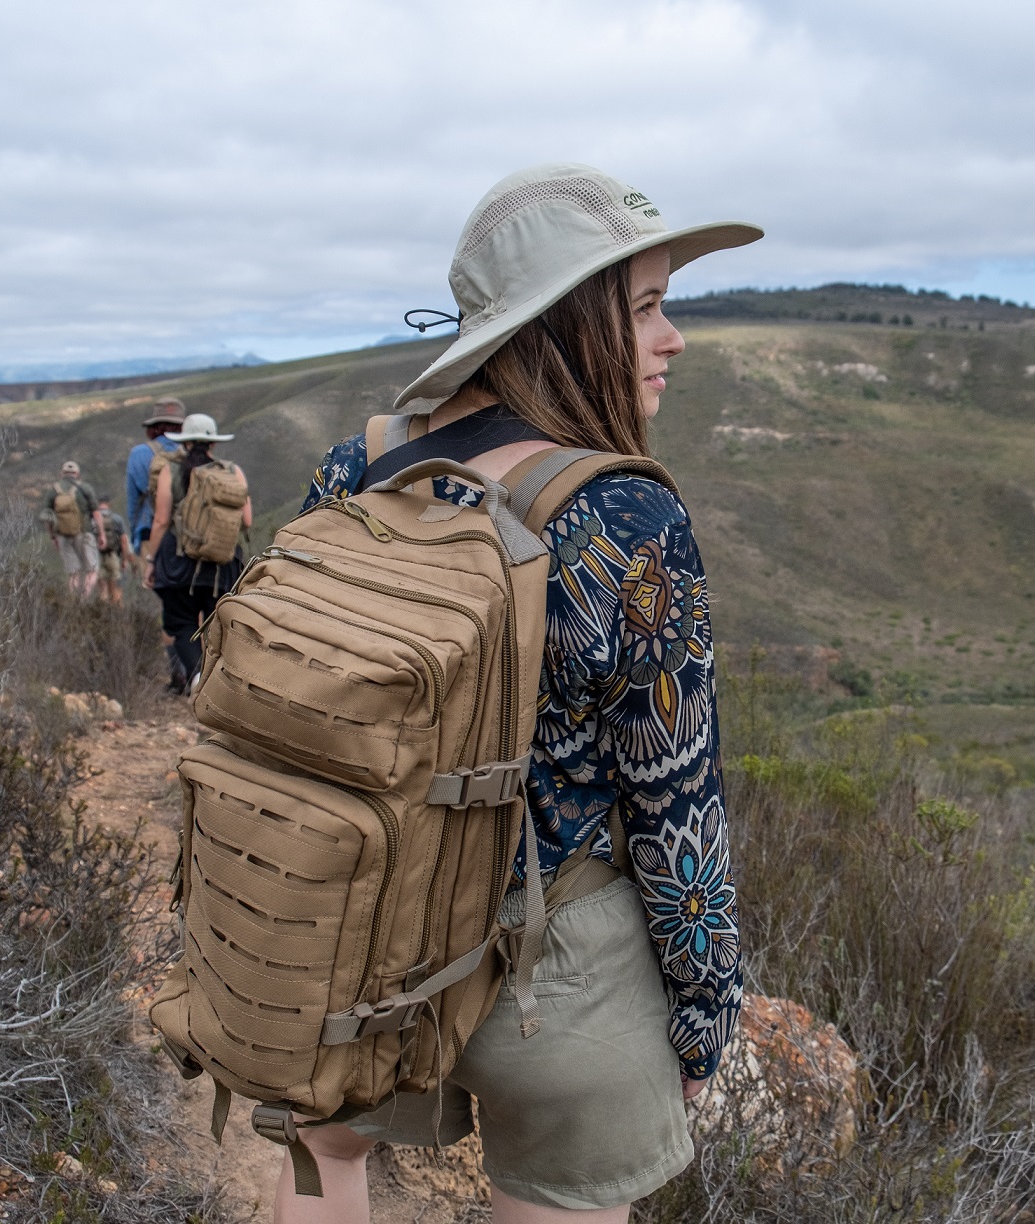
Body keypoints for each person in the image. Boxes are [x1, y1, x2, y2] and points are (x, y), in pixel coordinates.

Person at [281, 163, 760, 1223]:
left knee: (327, 1162)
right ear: (568, 319)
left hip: (357, 921)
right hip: (554, 976)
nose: (671, 337)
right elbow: (675, 807)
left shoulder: (353, 469)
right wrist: (701, 1015)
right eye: (643, 308)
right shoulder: (627, 520)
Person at [141, 413, 252, 694]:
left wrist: (150, 561)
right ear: (213, 444)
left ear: (186, 442)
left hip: (179, 562)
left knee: (181, 623)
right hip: (221, 565)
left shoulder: (171, 470)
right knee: (219, 624)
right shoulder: (232, 471)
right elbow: (247, 521)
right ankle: (224, 686)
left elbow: (161, 520)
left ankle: (197, 678)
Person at [41, 459, 104, 600]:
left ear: (62, 474)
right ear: (77, 474)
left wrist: (53, 537)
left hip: (62, 536)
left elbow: (47, 517)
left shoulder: (53, 491)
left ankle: (73, 602)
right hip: (84, 533)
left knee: (73, 573)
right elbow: (96, 514)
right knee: (92, 570)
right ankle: (85, 597)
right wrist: (101, 534)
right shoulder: (85, 488)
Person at [126, 397, 184, 550]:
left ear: (153, 426)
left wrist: (135, 536)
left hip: (149, 530)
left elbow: (133, 502)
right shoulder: (191, 452)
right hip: (188, 533)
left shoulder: (138, 454)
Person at [95, 494, 134, 605]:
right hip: (114, 557)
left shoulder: (93, 519)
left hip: (97, 558)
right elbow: (124, 540)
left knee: (102, 591)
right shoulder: (117, 519)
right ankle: (118, 618)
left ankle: (102, 615)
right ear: (109, 504)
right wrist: (125, 560)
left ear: (98, 504)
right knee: (116, 591)